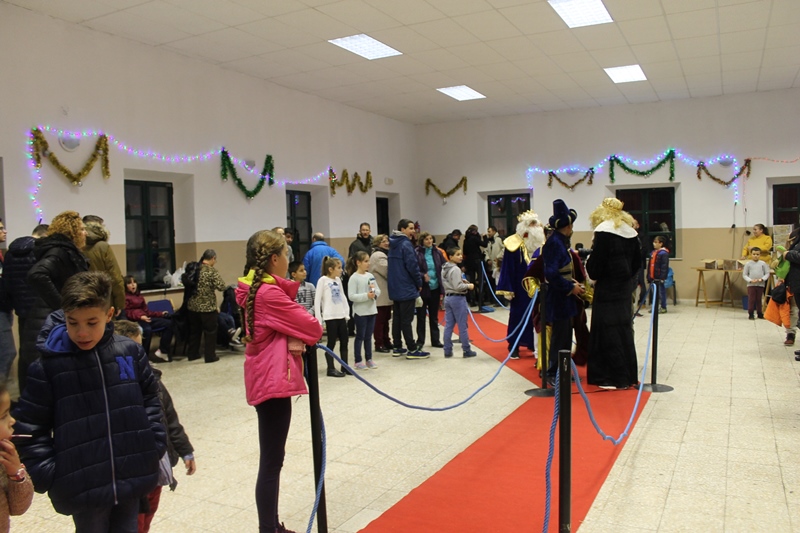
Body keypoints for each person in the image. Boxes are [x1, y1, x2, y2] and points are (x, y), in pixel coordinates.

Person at [13, 271, 167, 530]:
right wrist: (49, 473)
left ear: (109, 315)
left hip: (131, 474)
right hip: (83, 487)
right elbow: (29, 428)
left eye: (91, 322)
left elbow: (150, 398)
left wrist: (154, 443)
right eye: (73, 323)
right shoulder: (49, 367)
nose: (82, 332)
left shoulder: (129, 352)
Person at [235, 229, 323, 533]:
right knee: (272, 462)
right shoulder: (269, 294)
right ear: (274, 259)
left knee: (273, 459)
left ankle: (271, 525)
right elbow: (312, 328)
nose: (289, 260)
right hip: (271, 381)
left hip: (265, 376)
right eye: (286, 254)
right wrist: (297, 331)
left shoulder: (259, 290)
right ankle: (268, 528)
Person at [113, 320, 196, 533]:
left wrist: (185, 451)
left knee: (148, 515)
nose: (138, 355)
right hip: (131, 473)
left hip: (156, 468)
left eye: (140, 348)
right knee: (135, 522)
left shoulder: (153, 380)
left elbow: (170, 419)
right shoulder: (113, 386)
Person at [19, 211, 89, 394]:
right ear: (72, 232)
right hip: (48, 321)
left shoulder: (65, 251)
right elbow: (37, 275)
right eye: (82, 229)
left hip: (49, 318)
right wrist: (62, 305)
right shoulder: (59, 251)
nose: (85, 233)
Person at [585, 198, 641, 390]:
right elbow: (636, 264)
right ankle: (627, 376)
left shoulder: (604, 232)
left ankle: (609, 377)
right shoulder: (631, 233)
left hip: (607, 290)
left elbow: (595, 268)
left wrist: (590, 264)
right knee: (624, 330)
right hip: (624, 290)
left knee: (607, 332)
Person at [541, 200, 583, 385]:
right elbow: (551, 274)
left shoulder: (559, 241)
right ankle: (553, 372)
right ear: (568, 226)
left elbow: (562, 270)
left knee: (566, 336)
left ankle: (562, 371)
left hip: (564, 298)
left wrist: (571, 282)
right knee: (560, 337)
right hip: (559, 298)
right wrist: (570, 287)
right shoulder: (555, 243)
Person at [497, 211, 545, 359]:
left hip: (538, 288)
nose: (535, 226)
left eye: (536, 223)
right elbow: (507, 268)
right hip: (520, 289)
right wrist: (507, 289)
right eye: (532, 223)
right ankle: (514, 345)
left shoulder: (542, 243)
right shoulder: (513, 244)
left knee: (536, 317)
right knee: (518, 316)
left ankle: (531, 343)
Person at [1, 223, 48, 343]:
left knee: (25, 343)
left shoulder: (10, 252)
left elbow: (7, 280)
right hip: (40, 308)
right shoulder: (40, 252)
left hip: (20, 307)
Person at [389, 219, 428, 359]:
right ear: (403, 229)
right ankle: (412, 349)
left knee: (397, 318)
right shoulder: (405, 244)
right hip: (406, 286)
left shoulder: (392, 243)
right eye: (410, 228)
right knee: (406, 319)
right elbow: (412, 266)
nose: (413, 231)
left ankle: (397, 346)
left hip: (395, 286)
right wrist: (419, 282)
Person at [0, 376, 34, 531]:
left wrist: (16, 473)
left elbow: (18, 508)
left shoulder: (4, 456)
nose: (12, 420)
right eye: (3, 416)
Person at [186, 249, 227, 363]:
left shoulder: (195, 268)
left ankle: (192, 354)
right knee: (210, 332)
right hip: (207, 307)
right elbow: (221, 286)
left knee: (194, 331)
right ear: (213, 258)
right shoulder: (211, 271)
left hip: (192, 306)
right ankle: (210, 356)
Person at [83, 215, 125, 318]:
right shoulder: (103, 246)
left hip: (83, 299)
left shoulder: (77, 246)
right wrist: (120, 304)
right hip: (104, 298)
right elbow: (115, 277)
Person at [124, 275, 173, 363]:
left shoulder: (139, 296)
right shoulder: (125, 297)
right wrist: (140, 317)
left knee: (169, 323)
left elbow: (147, 312)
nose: (133, 285)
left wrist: (160, 313)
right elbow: (127, 312)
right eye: (129, 283)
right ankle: (144, 358)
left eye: (134, 282)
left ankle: (163, 351)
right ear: (126, 286)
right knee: (147, 330)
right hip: (135, 321)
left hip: (146, 318)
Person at [314, 256, 349, 377]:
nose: (341, 270)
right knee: (331, 342)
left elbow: (343, 297)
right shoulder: (322, 280)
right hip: (330, 317)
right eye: (339, 268)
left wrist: (346, 312)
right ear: (330, 269)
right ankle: (330, 368)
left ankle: (345, 366)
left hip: (341, 315)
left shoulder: (338, 280)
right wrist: (319, 319)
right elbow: (317, 301)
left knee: (344, 341)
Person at [442, 247, 477, 358]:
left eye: (461, 254)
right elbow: (457, 287)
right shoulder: (456, 269)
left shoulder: (444, 268)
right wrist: (468, 286)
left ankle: (447, 350)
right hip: (457, 298)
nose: (460, 256)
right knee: (462, 325)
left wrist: (461, 281)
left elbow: (451, 282)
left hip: (448, 297)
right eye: (457, 254)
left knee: (449, 325)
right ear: (451, 257)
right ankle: (466, 349)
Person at [347, 251, 380, 369]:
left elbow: (378, 290)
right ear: (358, 263)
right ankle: (358, 360)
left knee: (368, 336)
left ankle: (369, 359)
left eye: (368, 261)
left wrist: (374, 293)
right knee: (360, 336)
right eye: (366, 261)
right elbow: (351, 296)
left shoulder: (370, 276)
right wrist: (366, 296)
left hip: (371, 310)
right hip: (360, 312)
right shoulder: (354, 278)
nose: (368, 263)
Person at [415, 232, 445, 349]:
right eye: (426, 239)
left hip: (435, 287)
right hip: (423, 288)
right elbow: (414, 269)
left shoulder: (437, 252)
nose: (429, 241)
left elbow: (444, 266)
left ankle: (435, 340)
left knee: (434, 316)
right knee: (421, 316)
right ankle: (420, 341)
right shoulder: (417, 253)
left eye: (431, 238)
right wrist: (422, 275)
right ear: (422, 241)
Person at [369, 234, 393, 353]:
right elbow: (388, 272)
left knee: (385, 319)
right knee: (380, 320)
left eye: (387, 241)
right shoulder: (379, 255)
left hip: (384, 292)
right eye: (383, 241)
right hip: (381, 292)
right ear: (378, 243)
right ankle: (379, 343)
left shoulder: (382, 254)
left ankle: (386, 340)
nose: (386, 243)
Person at [0, 221, 16, 382]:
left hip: (5, 308)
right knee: (7, 352)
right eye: (0, 229)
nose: (4, 231)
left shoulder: (2, 254)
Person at [742, 247, 770, 320]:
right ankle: (751, 313)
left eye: (757, 254)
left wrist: (762, 279)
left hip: (760, 284)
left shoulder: (763, 263)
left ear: (760, 255)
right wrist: (750, 280)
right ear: (751, 254)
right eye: (754, 254)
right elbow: (744, 274)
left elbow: (767, 273)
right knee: (751, 299)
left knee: (759, 299)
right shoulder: (748, 264)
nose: (755, 256)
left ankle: (759, 313)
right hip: (751, 285)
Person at [647, 236, 670, 314]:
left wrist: (662, 277)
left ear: (661, 244)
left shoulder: (664, 253)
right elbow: (650, 266)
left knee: (661, 292)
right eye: (654, 242)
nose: (654, 244)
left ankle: (663, 307)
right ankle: (655, 307)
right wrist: (649, 276)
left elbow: (664, 266)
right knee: (654, 293)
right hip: (652, 277)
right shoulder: (653, 253)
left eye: (656, 242)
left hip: (659, 277)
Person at [462, 225, 483, 306]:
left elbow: (465, 252)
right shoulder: (475, 238)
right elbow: (484, 244)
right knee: (480, 280)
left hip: (469, 262)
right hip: (477, 261)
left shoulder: (466, 240)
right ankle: (480, 301)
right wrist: (484, 237)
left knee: (471, 281)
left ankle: (472, 300)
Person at [482, 225, 504, 303]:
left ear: (494, 231)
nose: (488, 233)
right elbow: (486, 251)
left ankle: (500, 300)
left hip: (498, 264)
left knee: (499, 282)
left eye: (489, 231)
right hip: (491, 265)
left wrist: (498, 257)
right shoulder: (488, 241)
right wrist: (488, 259)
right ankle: (493, 299)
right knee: (492, 283)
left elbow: (504, 249)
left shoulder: (499, 239)